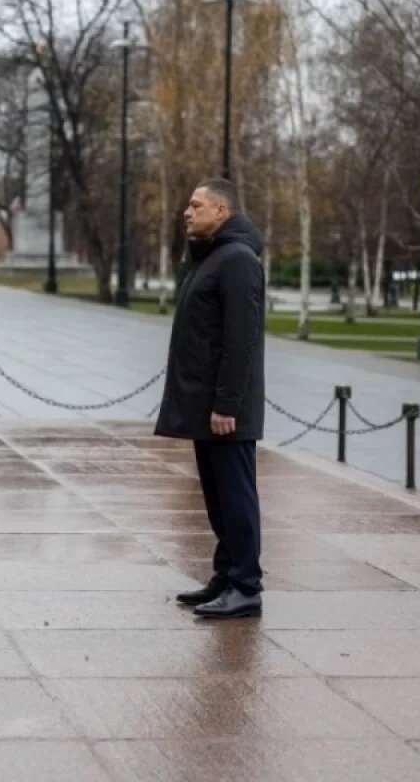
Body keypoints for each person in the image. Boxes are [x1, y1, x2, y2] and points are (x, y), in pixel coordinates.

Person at [155, 178, 266, 619]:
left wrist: (226, 404)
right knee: (219, 498)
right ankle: (225, 576)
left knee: (236, 497)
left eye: (196, 205)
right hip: (209, 406)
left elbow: (241, 341)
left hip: (226, 410)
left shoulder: (237, 260)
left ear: (221, 212)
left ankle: (246, 586)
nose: (187, 211)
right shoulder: (213, 257)